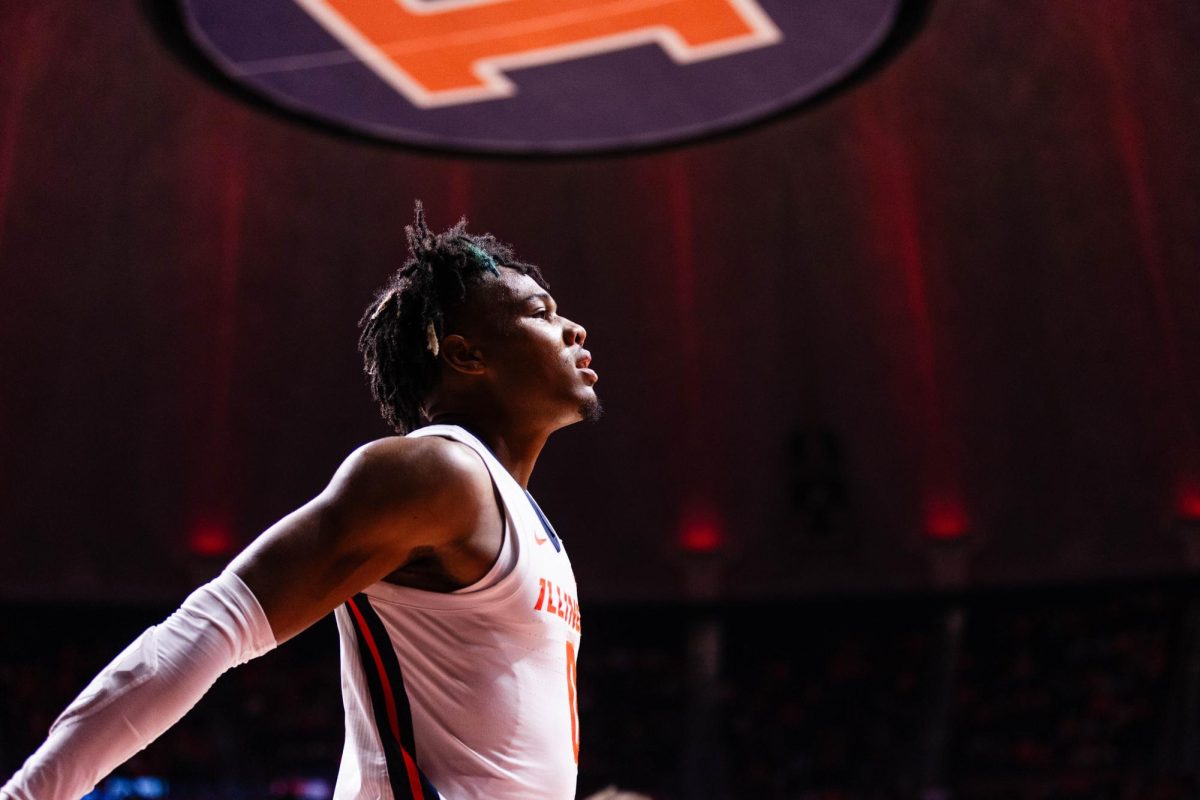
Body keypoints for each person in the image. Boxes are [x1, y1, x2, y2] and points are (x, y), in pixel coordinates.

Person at [1, 202, 603, 800]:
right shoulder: (436, 472)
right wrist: (30, 794)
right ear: (466, 354)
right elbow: (213, 626)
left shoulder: (524, 518)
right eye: (539, 312)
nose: (573, 328)